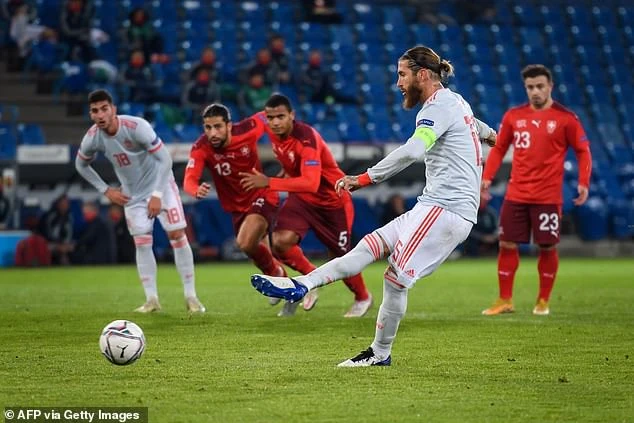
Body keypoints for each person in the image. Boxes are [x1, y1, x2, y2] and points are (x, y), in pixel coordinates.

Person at [249, 46, 497, 366]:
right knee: (368, 246)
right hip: (432, 206)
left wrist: (364, 178)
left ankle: (379, 354)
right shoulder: (455, 102)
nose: (398, 83)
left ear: (423, 75)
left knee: (395, 278)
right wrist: (493, 136)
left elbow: (413, 151)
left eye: (402, 75)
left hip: (446, 210)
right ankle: (302, 285)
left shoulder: (436, 107)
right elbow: (474, 124)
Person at [239, 94, 373, 318]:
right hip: (301, 200)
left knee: (340, 258)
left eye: (281, 117)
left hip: (332, 202)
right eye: (270, 118)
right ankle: (311, 280)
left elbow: (311, 182)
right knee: (279, 242)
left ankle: (362, 297)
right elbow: (292, 166)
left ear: (292, 115)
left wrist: (269, 182)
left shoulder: (306, 139)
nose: (275, 122)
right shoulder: (272, 132)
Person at [75, 89, 205, 313]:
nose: (100, 115)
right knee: (142, 242)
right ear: (91, 114)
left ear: (114, 109)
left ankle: (191, 296)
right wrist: (106, 190)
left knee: (176, 234)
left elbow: (165, 159)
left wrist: (157, 195)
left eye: (104, 109)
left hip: (161, 185)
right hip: (132, 195)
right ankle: (151, 300)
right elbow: (81, 165)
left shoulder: (136, 127)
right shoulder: (92, 137)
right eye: (95, 111)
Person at [481, 64, 592, 316]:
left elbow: (583, 151)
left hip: (547, 197)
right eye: (530, 87)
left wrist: (583, 182)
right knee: (506, 243)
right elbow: (499, 148)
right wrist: (487, 177)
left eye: (540, 86)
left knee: (547, 246)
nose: (535, 91)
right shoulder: (514, 116)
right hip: (516, 194)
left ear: (550, 86)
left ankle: (543, 301)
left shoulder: (566, 118)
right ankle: (504, 300)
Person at [182, 103, 287, 309]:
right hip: (237, 207)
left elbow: (272, 115)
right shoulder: (201, 147)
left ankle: (277, 274)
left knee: (245, 242)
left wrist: (286, 153)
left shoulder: (248, 129)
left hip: (262, 194)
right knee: (255, 249)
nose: (213, 133)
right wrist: (195, 190)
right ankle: (284, 285)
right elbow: (189, 179)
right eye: (208, 127)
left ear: (229, 125)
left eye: (218, 126)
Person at [39, 193, 74, 265]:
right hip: (49, 242)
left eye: (66, 203)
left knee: (73, 247)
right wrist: (59, 245)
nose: (65, 205)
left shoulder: (69, 217)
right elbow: (48, 233)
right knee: (54, 248)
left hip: (63, 243)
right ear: (58, 204)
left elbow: (69, 232)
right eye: (63, 203)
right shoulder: (51, 216)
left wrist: (66, 243)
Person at [463, 192, 498, 257]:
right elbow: (469, 230)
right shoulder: (471, 212)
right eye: (482, 200)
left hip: (490, 236)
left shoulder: (491, 212)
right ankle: (471, 256)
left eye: (485, 200)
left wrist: (494, 236)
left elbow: (497, 226)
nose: (484, 202)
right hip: (476, 238)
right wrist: (482, 237)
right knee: (469, 239)